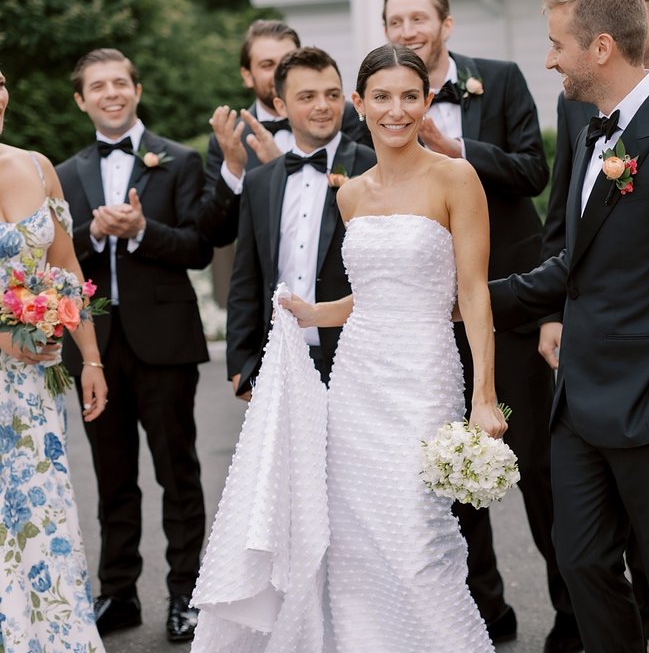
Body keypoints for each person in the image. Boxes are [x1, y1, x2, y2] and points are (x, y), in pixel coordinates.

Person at [194, 43, 509, 651]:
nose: (397, 111)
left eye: (410, 96)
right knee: (355, 536)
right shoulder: (352, 193)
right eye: (383, 97)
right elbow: (369, 294)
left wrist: (485, 395)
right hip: (357, 378)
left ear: (426, 102)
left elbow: (472, 294)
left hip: (424, 374)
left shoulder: (456, 178)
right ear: (361, 104)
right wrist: (315, 313)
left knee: (419, 533)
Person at [489, 0, 649, 652]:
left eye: (557, 44)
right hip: (579, 402)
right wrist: (473, 303)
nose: (549, 59)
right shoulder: (588, 124)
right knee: (582, 562)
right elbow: (574, 264)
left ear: (601, 47)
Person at [341, 0, 578, 650]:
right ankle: (482, 607)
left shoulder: (498, 79)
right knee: (443, 470)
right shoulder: (381, 122)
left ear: (445, 24)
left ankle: (573, 610)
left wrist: (458, 152)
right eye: (396, 21)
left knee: (533, 464)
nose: (408, 30)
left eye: (420, 18)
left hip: (508, 294)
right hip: (423, 324)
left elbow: (536, 171)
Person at [57, 48, 213, 643]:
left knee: (179, 471)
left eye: (120, 82)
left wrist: (144, 231)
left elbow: (199, 246)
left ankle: (186, 596)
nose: (111, 93)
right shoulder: (66, 173)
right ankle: (118, 592)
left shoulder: (179, 160)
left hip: (166, 341)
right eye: (98, 86)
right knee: (112, 472)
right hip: (95, 345)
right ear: (82, 99)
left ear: (137, 89)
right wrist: (93, 232)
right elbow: (58, 255)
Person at [0, 68, 108, 652]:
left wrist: (91, 359)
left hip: (36, 381)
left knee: (41, 509)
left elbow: (67, 272)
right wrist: (2, 337)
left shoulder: (39, 166)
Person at [224, 47, 376, 399]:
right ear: (280, 106)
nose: (323, 105)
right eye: (307, 96)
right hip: (281, 356)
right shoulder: (260, 182)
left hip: (358, 353)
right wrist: (240, 366)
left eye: (332, 95)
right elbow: (246, 276)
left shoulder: (373, 169)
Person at [197, 19, 300, 249]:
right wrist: (233, 168)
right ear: (247, 75)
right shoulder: (229, 140)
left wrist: (282, 167)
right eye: (267, 65)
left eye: (288, 62)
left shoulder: (338, 120)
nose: (280, 72)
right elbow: (214, 234)